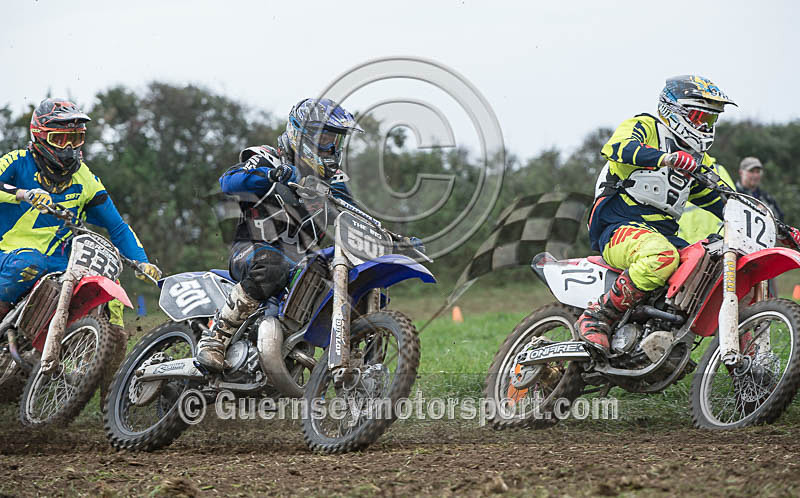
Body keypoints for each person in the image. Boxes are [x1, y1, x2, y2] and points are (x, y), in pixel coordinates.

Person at [579, 75, 800, 351]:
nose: (704, 126)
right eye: (699, 117)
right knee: (660, 257)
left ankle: (730, 357)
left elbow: (726, 202)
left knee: (709, 270)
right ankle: (598, 317)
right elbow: (617, 148)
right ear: (674, 110)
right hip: (618, 227)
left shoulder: (698, 159)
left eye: (710, 121)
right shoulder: (645, 126)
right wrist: (666, 158)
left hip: (664, 234)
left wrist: (779, 228)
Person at [196, 98, 367, 372]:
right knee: (272, 265)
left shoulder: (333, 180)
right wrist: (273, 174)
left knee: (346, 281)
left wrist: (392, 238)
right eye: (325, 138)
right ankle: (215, 339)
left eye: (336, 141)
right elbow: (229, 181)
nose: (332, 147)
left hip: (301, 264)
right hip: (252, 250)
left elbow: (357, 213)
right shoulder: (267, 156)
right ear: (302, 134)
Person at [0, 98, 161, 324]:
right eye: (60, 139)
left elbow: (117, 225)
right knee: (29, 262)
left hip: (59, 263)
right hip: (8, 254)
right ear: (39, 136)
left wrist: (141, 262)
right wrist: (24, 194)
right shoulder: (18, 161)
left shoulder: (85, 178)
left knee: (108, 287)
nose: (69, 148)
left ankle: (109, 353)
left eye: (76, 139)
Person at [676, 162, 735, 244]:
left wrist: (723, 240)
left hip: (716, 242)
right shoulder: (677, 166)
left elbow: (731, 206)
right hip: (687, 244)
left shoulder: (718, 170)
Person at [736, 156, 784, 221]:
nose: (755, 175)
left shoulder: (767, 197)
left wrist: (768, 214)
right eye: (751, 171)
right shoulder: (734, 194)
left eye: (758, 172)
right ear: (741, 173)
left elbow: (780, 219)